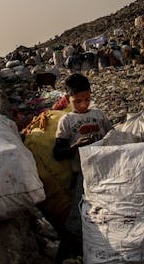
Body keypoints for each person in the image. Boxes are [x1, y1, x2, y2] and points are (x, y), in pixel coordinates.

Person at [53, 74, 112, 262]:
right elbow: (58, 152)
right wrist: (75, 146)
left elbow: (114, 137)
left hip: (106, 171)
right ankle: (68, 253)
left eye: (87, 99)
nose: (83, 105)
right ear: (67, 98)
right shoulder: (67, 121)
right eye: (77, 101)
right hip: (84, 175)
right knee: (78, 217)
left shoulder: (99, 115)